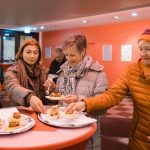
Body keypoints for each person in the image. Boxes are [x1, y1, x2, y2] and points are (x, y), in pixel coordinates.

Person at [68, 29, 150, 150]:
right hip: (141, 137)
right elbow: (112, 95)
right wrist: (85, 104)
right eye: (141, 49)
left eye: (148, 49)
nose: (143, 54)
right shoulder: (132, 71)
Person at [48, 34, 108, 150]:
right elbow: (59, 99)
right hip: (62, 128)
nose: (69, 59)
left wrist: (79, 99)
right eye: (66, 55)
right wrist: (52, 89)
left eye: (72, 55)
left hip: (85, 134)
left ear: (83, 51)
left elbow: (103, 105)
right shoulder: (63, 71)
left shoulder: (98, 73)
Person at [4, 39, 53, 113]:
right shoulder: (13, 70)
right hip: (19, 112)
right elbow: (13, 88)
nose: (32, 56)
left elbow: (47, 94)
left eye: (35, 53)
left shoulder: (44, 71)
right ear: (21, 53)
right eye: (28, 52)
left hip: (40, 111)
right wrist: (29, 97)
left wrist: (50, 89)